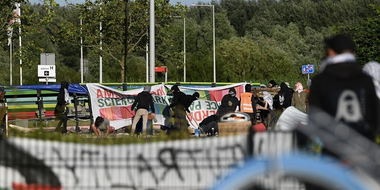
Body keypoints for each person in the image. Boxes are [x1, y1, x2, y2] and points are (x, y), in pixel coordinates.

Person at [309, 34, 380, 141]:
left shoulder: (320, 81)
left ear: (331, 51)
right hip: (365, 147)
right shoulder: (366, 80)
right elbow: (376, 116)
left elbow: (315, 118)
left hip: (333, 148)